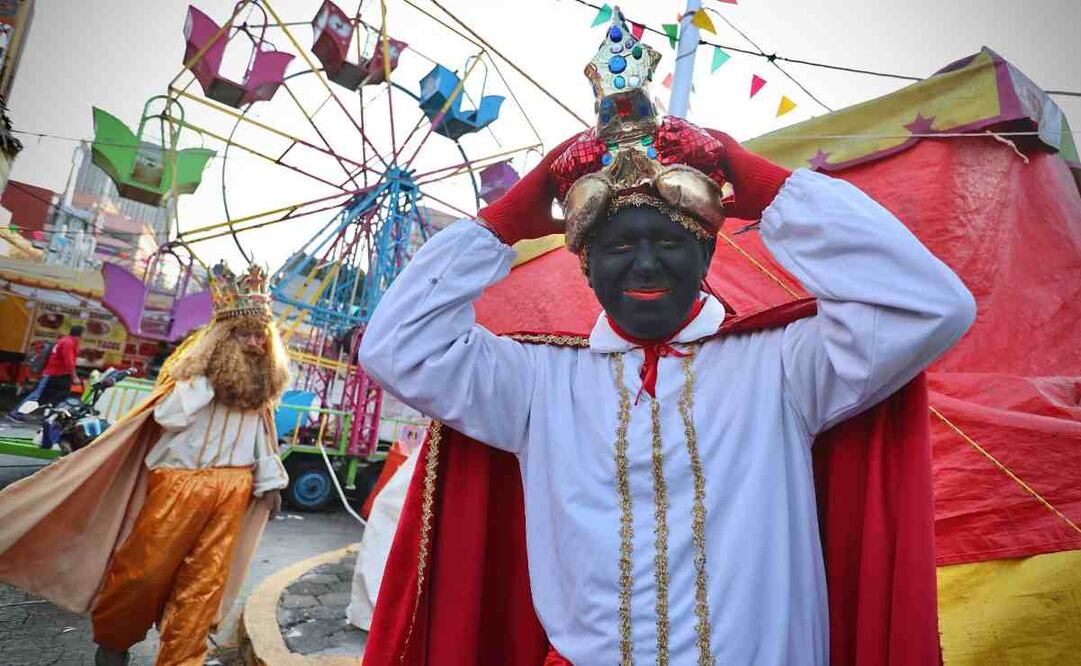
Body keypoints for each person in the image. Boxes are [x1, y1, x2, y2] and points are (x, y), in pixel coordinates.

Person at [358, 11, 975, 666]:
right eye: (619, 246)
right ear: (586, 265)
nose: (646, 265)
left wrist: (766, 186)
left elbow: (932, 306)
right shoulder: (533, 383)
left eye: (671, 242)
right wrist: (503, 221)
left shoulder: (784, 368)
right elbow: (395, 347)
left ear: (707, 250)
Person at [0, 262, 291, 666]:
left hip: (233, 489)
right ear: (223, 337)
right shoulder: (193, 375)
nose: (254, 342)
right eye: (244, 333)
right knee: (144, 572)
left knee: (204, 584)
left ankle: (182, 658)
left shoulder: (260, 387)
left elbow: (263, 438)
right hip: (179, 484)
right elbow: (167, 418)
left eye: (261, 334)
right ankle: (115, 641)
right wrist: (208, 378)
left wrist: (270, 481)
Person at [9, 325, 83, 420]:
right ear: (80, 335)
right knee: (37, 395)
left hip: (57, 374)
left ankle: (51, 418)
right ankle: (17, 413)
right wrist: (74, 376)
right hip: (54, 373)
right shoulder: (69, 343)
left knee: (54, 397)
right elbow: (69, 361)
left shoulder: (65, 340)